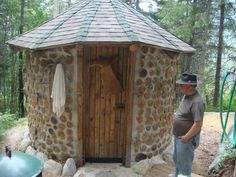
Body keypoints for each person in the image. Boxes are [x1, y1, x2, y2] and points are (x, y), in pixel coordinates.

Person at [171, 72, 205, 177]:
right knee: (177, 159)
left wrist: (186, 137)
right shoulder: (186, 96)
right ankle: (177, 175)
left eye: (182, 84)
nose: (180, 86)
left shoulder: (197, 102)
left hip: (187, 138)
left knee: (185, 164)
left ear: (188, 86)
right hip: (179, 136)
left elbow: (198, 124)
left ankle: (182, 175)